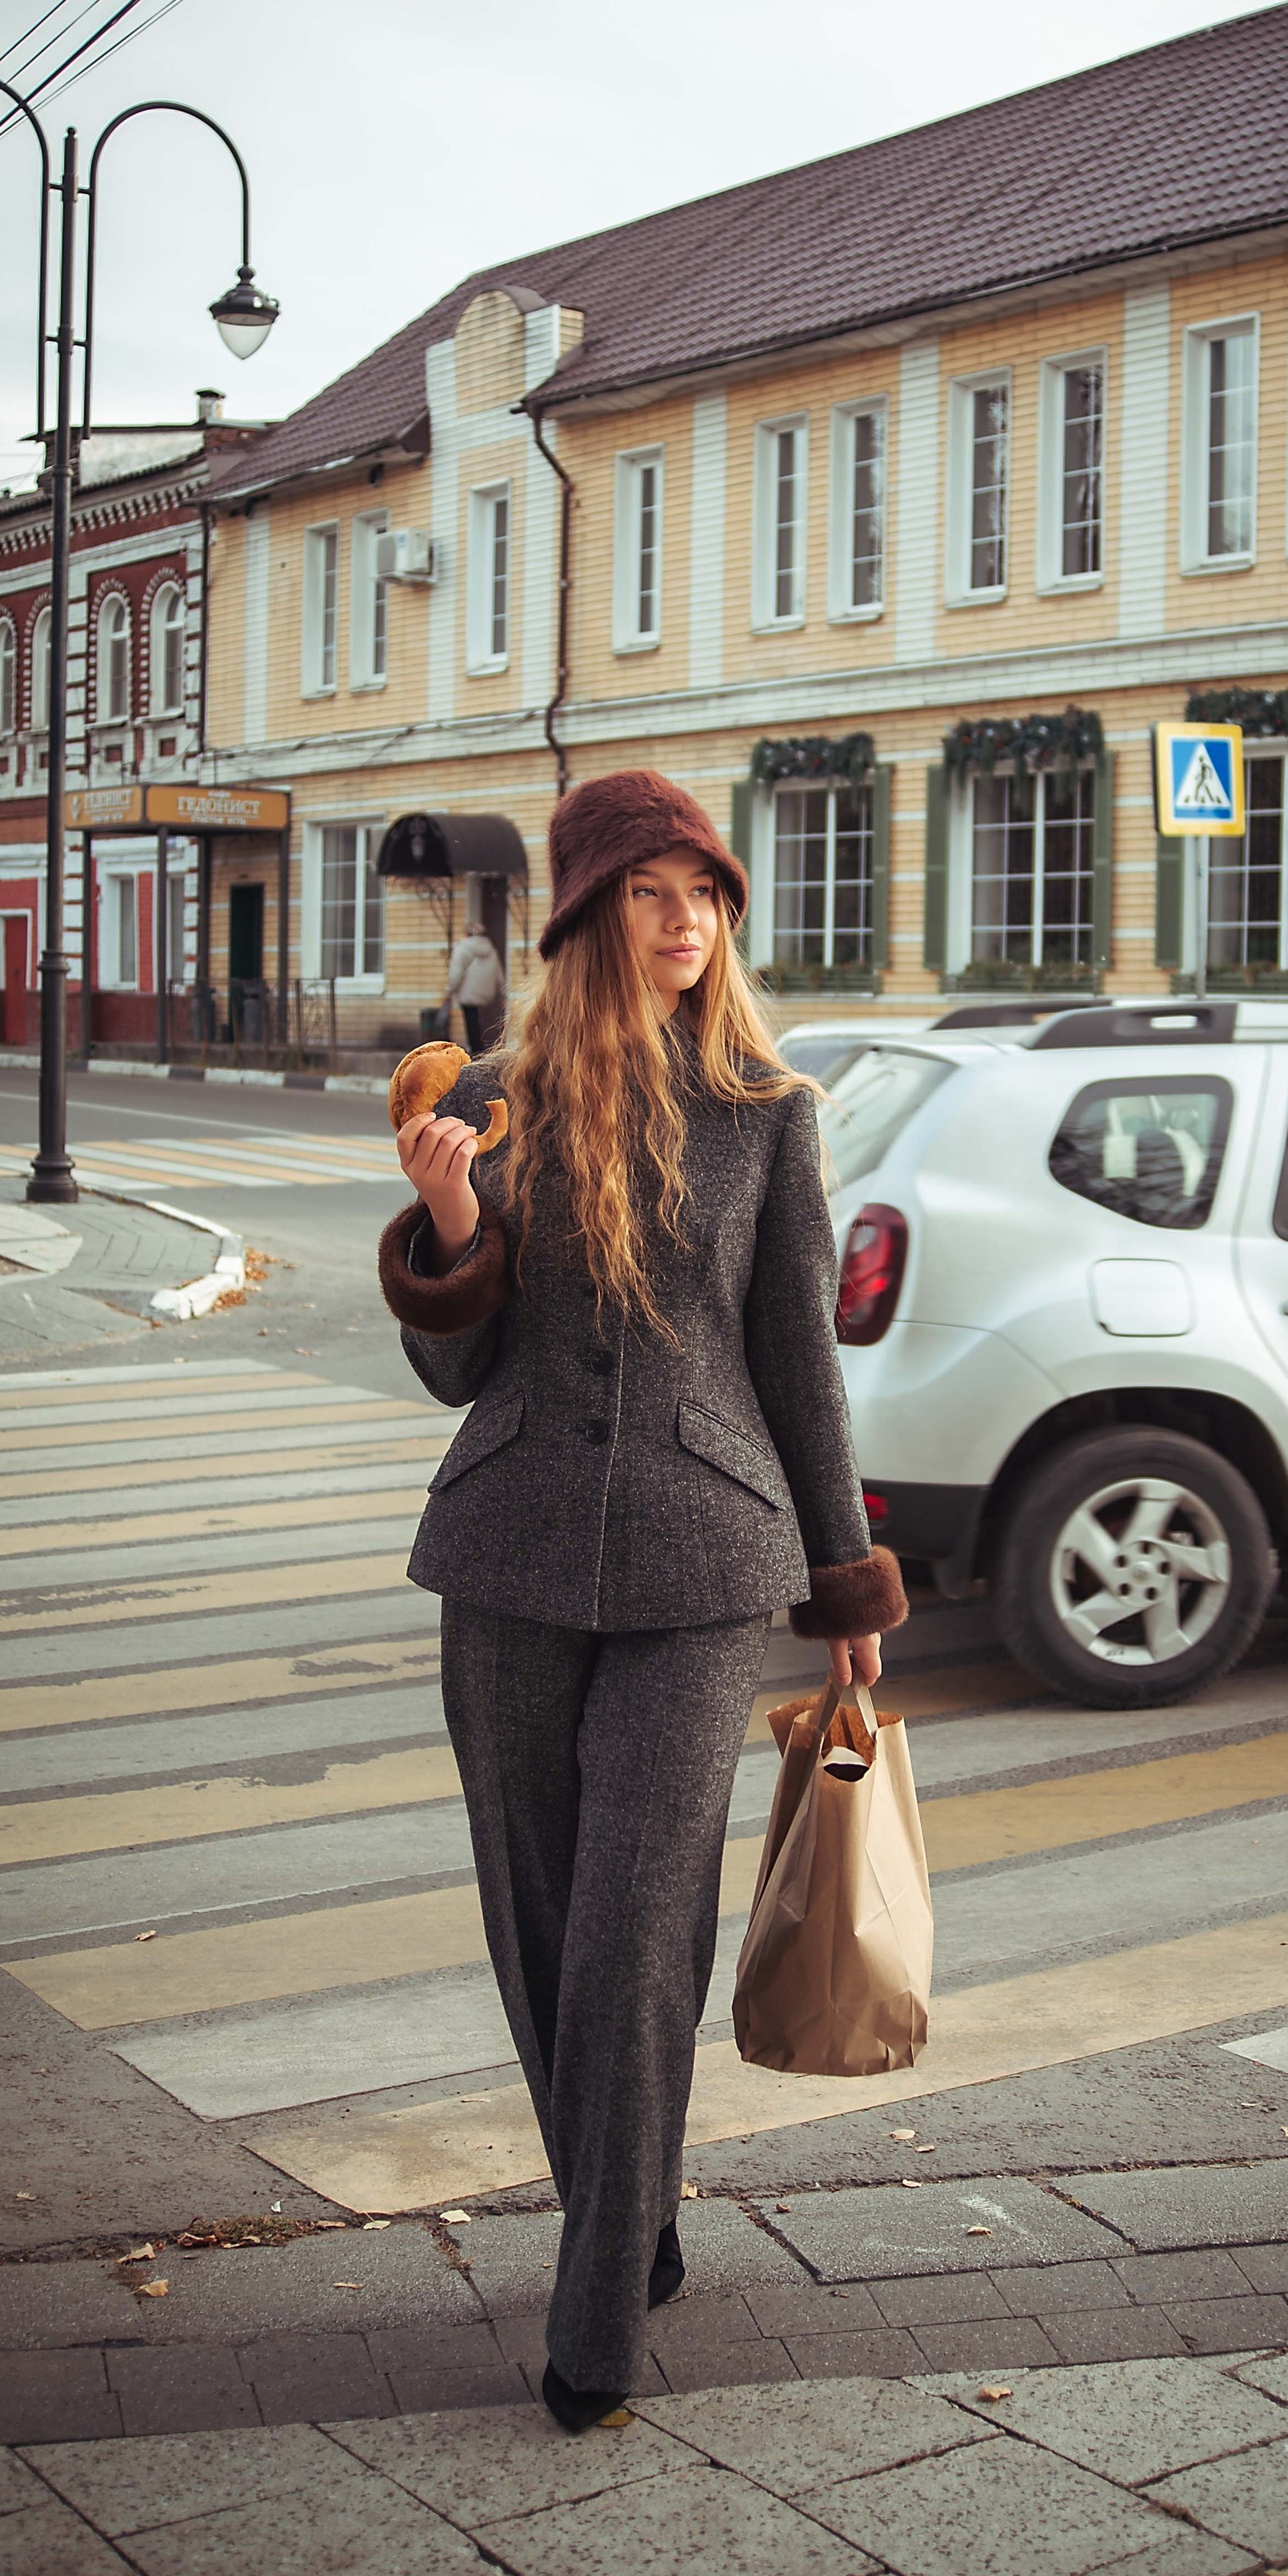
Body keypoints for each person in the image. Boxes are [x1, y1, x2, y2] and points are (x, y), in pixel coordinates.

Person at [380, 769, 905, 2434]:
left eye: (707, 896)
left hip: (704, 1563)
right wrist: (453, 1218)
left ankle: (595, 2312)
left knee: (630, 1936)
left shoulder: (768, 1110)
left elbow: (794, 1358)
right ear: (589, 916)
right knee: (540, 1932)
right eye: (653, 895)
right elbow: (456, 1374)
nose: (687, 926)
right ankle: (634, 2209)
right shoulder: (489, 1094)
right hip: (510, 1554)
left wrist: (844, 1579)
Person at [442, 920, 503, 1052]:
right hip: (487, 993)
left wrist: (449, 991)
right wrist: (502, 990)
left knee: (471, 1021)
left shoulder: (462, 948)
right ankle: (485, 1048)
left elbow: (456, 974)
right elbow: (499, 973)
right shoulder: (490, 949)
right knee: (483, 1019)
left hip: (468, 994)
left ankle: (475, 1050)